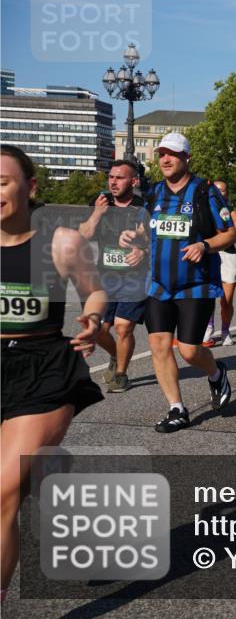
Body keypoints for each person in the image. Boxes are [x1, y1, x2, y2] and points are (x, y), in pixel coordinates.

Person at [1, 145, 106, 599]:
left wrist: (94, 320)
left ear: (30, 187)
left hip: (42, 367)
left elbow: (95, 292)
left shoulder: (62, 242)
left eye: (2, 182)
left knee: (3, 494)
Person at [118, 132, 236, 432]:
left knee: (188, 349)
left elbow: (229, 233)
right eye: (161, 154)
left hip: (195, 284)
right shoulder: (155, 193)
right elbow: (148, 233)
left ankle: (216, 371)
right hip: (158, 284)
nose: (166, 159)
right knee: (159, 344)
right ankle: (176, 408)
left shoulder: (204, 191)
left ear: (187, 158)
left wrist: (204, 246)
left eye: (172, 154)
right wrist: (135, 243)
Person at [77, 159, 148, 391]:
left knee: (123, 326)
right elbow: (83, 235)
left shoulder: (143, 206)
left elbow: (154, 238)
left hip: (134, 277)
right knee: (97, 329)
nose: (113, 182)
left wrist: (143, 250)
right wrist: (97, 213)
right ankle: (117, 355)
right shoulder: (99, 203)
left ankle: (121, 374)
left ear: (134, 181)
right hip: (104, 277)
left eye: (120, 178)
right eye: (111, 177)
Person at [204, 180, 236, 347]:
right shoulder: (203, 210)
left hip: (227, 256)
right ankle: (208, 329)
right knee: (208, 297)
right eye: (215, 190)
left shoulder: (230, 212)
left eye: (222, 190)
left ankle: (225, 330)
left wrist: (226, 231)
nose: (218, 193)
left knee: (225, 300)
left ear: (227, 194)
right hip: (208, 254)